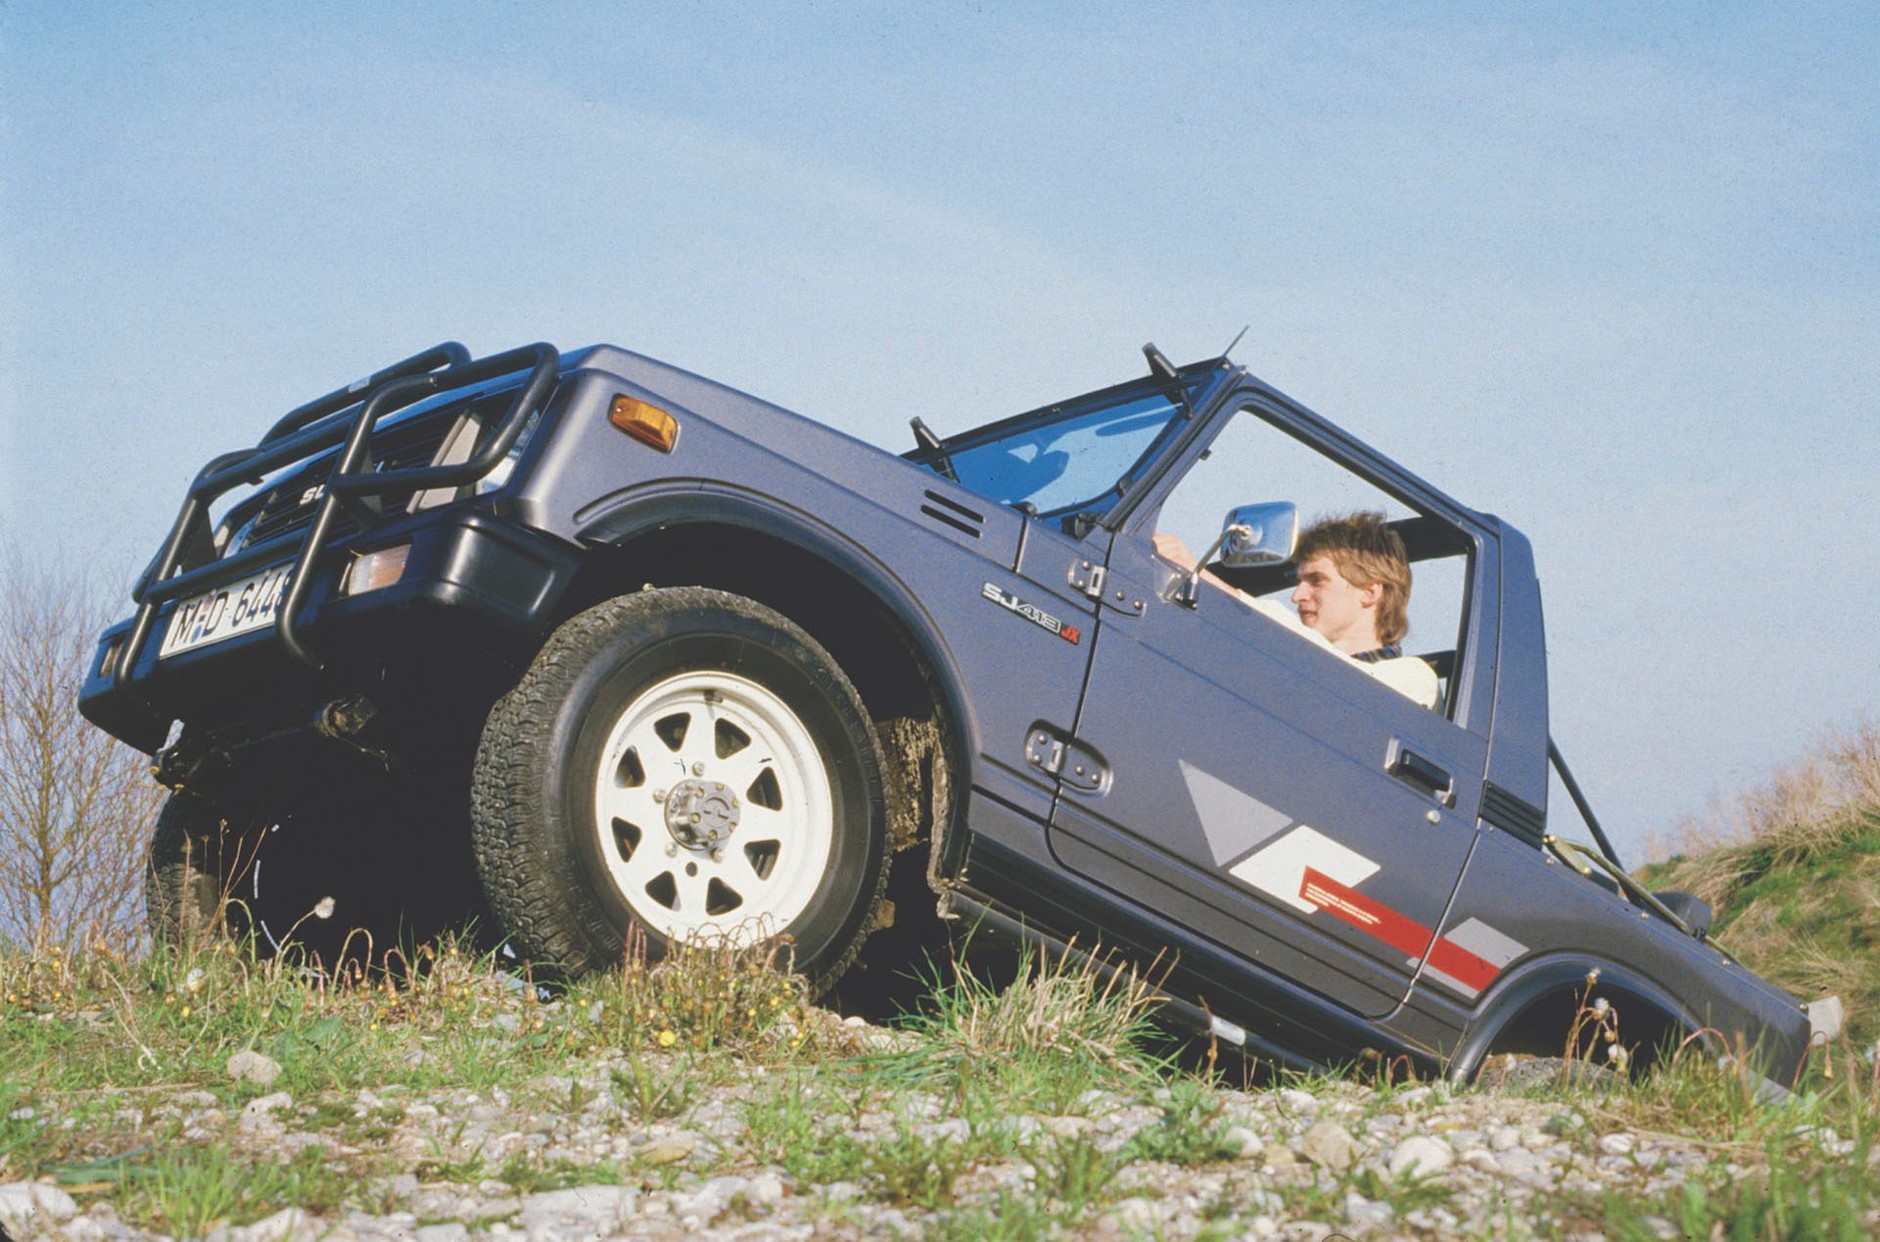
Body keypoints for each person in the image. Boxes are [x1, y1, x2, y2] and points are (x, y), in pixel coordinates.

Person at [1153, 510, 1441, 709]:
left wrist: (1199, 575)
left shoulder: (1414, 680)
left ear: (1369, 593)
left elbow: (1350, 683)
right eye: (1299, 581)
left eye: (1317, 581)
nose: (1297, 596)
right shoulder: (1294, 666)